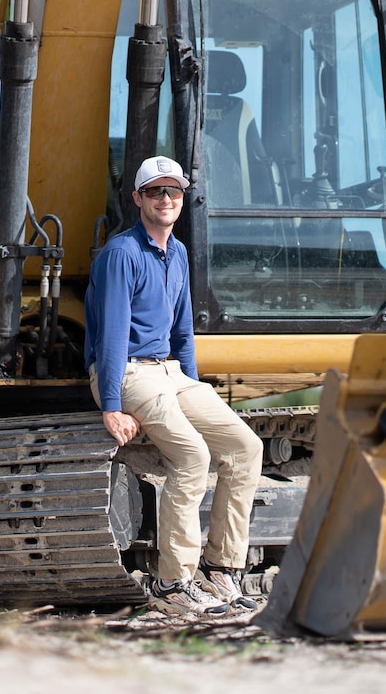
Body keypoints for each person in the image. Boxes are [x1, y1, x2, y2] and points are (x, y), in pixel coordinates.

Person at [83, 155, 263, 617]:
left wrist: (192, 389)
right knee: (192, 456)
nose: (166, 198)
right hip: (126, 371)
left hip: (170, 373)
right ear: (138, 198)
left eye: (174, 191)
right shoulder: (122, 254)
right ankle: (172, 584)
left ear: (183, 198)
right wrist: (110, 405)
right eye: (156, 191)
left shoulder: (178, 253)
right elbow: (112, 335)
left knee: (245, 447)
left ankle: (221, 570)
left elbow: (182, 331)